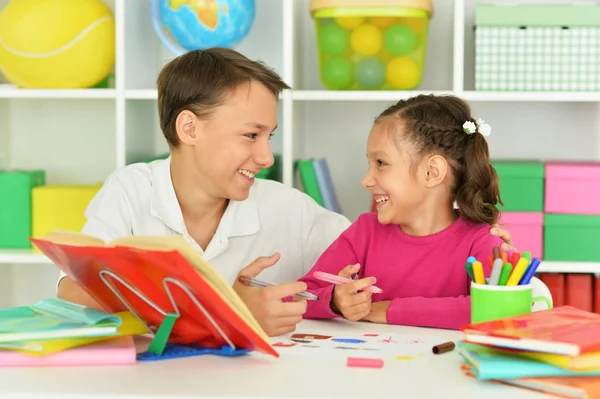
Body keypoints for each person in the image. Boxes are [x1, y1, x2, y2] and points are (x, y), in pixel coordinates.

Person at [57, 48, 515, 336]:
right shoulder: (132, 191)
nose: (267, 157)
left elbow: (378, 258)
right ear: (189, 127)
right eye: (252, 135)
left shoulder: (289, 210)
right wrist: (232, 309)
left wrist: (498, 268)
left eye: (270, 136)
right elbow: (71, 292)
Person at [299, 94, 503, 330]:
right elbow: (297, 297)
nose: (366, 180)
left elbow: (492, 311)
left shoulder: (481, 241)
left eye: (381, 163)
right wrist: (334, 301)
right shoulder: (364, 232)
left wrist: (387, 310)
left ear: (431, 172)